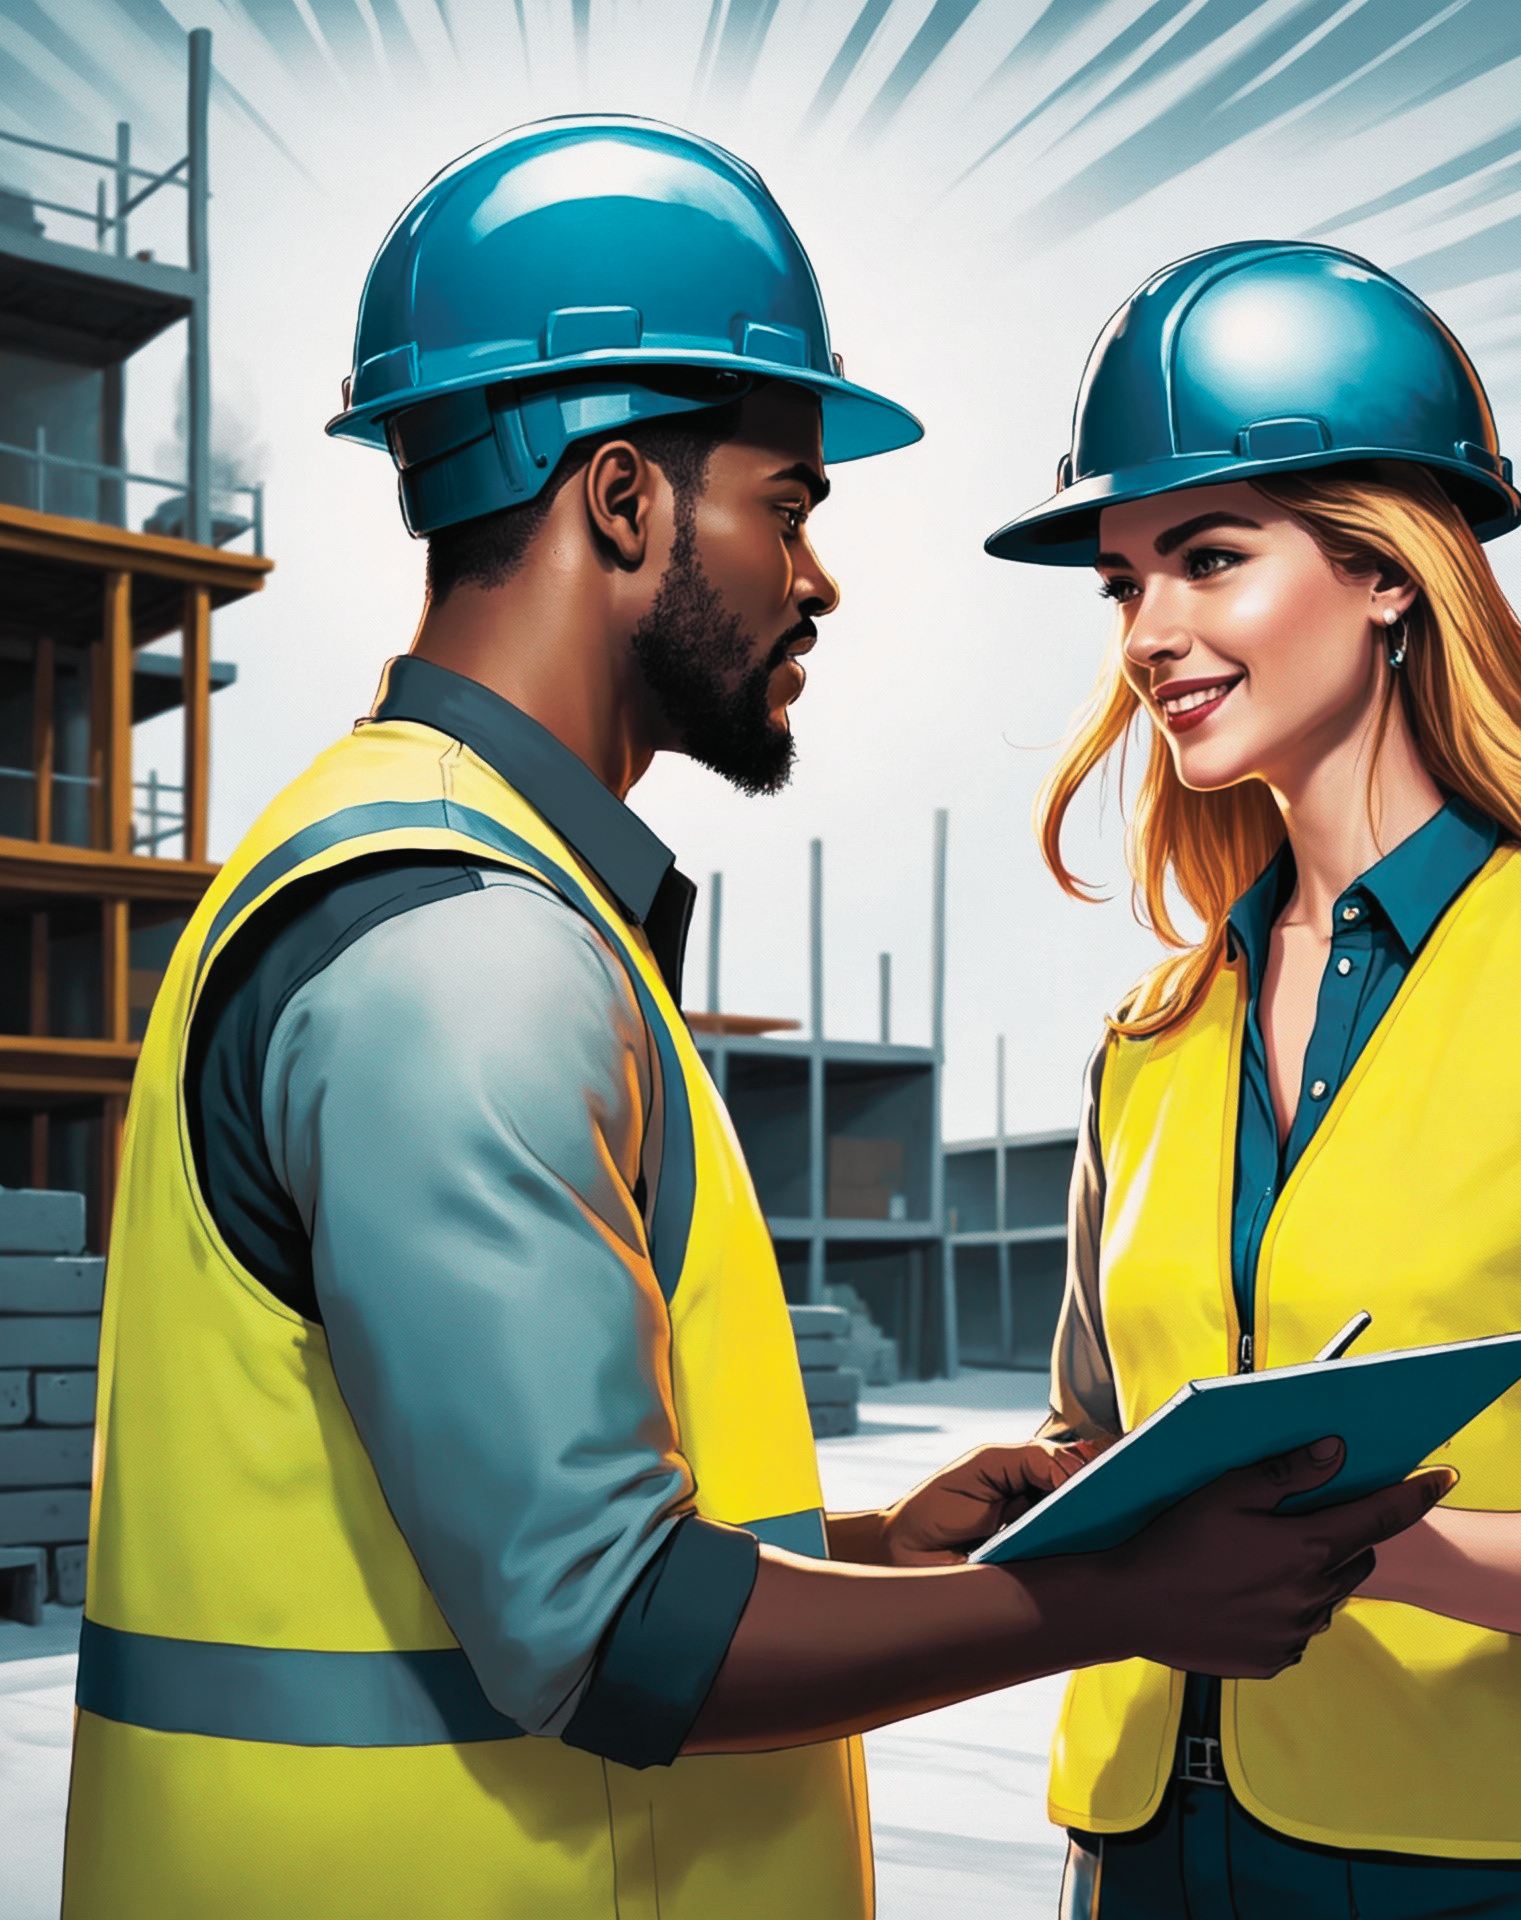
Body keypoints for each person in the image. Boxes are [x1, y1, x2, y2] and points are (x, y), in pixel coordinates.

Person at [61, 131, 1449, 1920]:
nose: (819, 577)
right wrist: (1115, 1603)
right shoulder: (458, 950)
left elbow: (495, 1539)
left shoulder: (437, 886)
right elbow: (610, 1630)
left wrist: (879, 1551)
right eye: (786, 506)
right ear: (625, 500)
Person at [984, 242, 1521, 1920]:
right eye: (1122, 582)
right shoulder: (1153, 1043)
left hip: (1500, 1880)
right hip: (1142, 1863)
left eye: (1209, 559)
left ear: (1387, 573)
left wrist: (1413, 1557)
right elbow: (1093, 1434)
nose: (1152, 633)